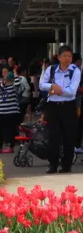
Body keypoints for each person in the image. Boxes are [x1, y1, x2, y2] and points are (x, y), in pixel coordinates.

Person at [39, 45, 81, 174]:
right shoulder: (51, 70)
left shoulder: (75, 71)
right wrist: (52, 86)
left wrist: (56, 91)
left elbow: (72, 91)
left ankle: (66, 165)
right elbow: (41, 85)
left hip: (68, 106)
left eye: (70, 56)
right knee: (53, 137)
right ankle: (53, 164)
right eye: (64, 56)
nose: (67, 58)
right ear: (58, 57)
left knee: (68, 137)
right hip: (53, 107)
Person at [0, 72, 20, 154]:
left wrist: (14, 74)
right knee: (0, 130)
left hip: (12, 111)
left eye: (7, 78)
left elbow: (17, 82)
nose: (5, 79)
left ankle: (11, 147)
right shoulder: (2, 86)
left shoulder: (14, 87)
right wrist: (4, 82)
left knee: (11, 130)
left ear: (11, 80)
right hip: (2, 111)